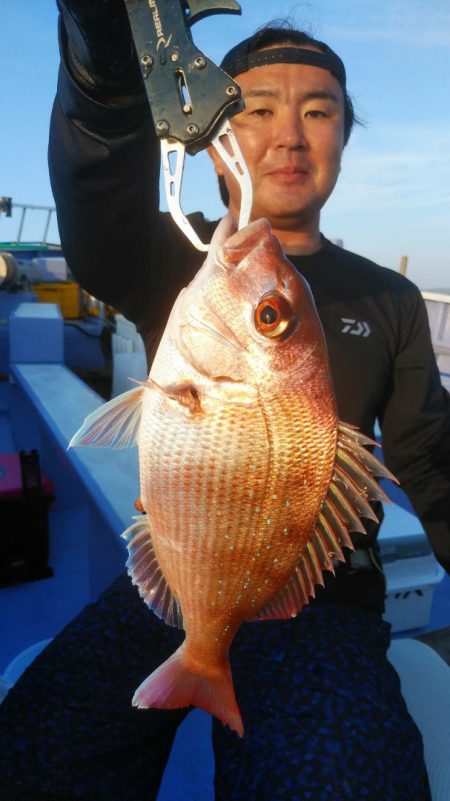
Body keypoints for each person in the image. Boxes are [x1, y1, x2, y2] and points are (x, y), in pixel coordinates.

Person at [1, 2, 449, 799]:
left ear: (345, 136)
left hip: (326, 599)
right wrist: (103, 64)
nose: (289, 134)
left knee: (344, 783)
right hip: (179, 574)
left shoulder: (391, 297)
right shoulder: (174, 253)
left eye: (319, 111)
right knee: (36, 754)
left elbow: (430, 458)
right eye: (256, 110)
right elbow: (99, 189)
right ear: (212, 139)